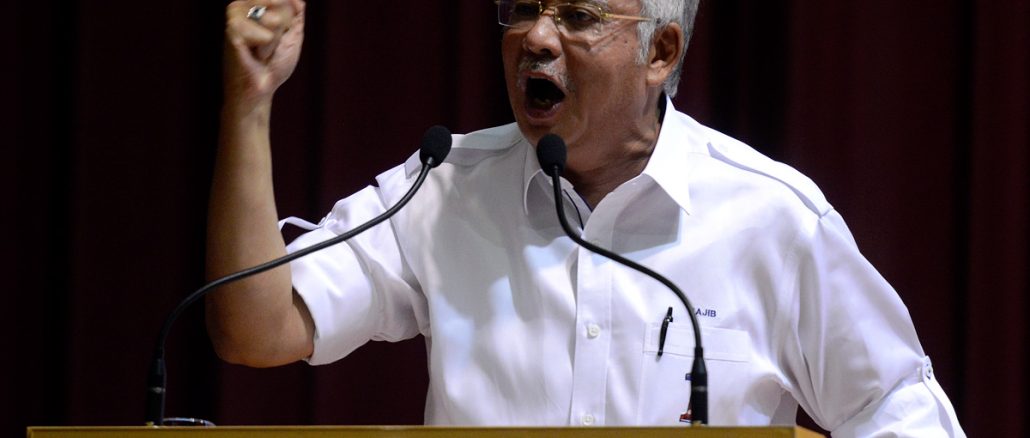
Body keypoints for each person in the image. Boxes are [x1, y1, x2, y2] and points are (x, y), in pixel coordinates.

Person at [206, 0, 966, 435]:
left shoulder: (769, 217)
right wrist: (250, 103)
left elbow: (900, 408)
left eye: (576, 14)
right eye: (523, 10)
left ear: (660, 51)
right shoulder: (443, 190)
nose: (535, 38)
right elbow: (253, 328)